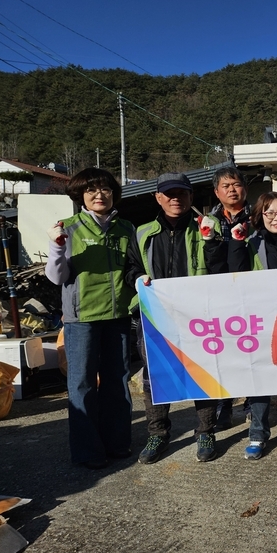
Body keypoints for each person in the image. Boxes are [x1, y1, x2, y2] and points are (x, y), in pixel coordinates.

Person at [126, 172, 226, 464]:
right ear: (158, 198)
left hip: (197, 315)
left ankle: (206, 431)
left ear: (191, 197)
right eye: (169, 194)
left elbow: (221, 269)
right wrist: (137, 278)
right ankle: (157, 433)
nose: (175, 199)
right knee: (156, 375)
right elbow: (130, 267)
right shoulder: (142, 232)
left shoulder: (207, 226)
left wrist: (211, 241)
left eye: (181, 193)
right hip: (154, 315)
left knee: (203, 371)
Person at [45, 168, 135, 469]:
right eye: (91, 190)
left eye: (105, 189)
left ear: (113, 193)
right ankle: (87, 452)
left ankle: (118, 443)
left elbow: (133, 269)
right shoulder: (68, 228)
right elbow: (57, 277)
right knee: (82, 383)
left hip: (118, 316)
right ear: (80, 195)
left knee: (117, 381)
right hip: (81, 318)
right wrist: (56, 247)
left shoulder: (126, 229)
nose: (99, 195)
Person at [226, 192, 277, 459]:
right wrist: (236, 242)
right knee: (260, 379)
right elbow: (235, 273)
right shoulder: (250, 243)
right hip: (260, 324)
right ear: (260, 216)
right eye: (269, 212)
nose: (276, 217)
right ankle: (257, 434)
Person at [209, 166, 252, 430]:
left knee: (251, 350)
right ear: (217, 192)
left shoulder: (258, 216)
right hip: (220, 296)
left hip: (251, 293)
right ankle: (224, 404)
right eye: (226, 186)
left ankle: (252, 403)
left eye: (236, 184)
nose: (232, 190)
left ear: (244, 188)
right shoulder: (209, 220)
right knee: (222, 352)